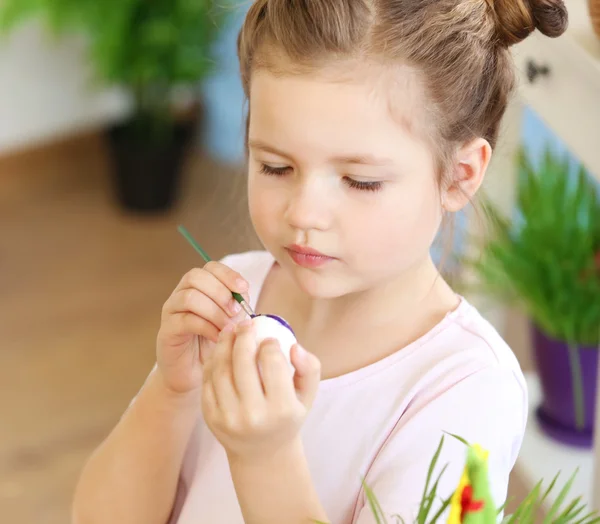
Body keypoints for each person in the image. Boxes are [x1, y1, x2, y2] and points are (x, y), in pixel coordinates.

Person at [72, 0, 569, 523]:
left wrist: (265, 458)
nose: (304, 214)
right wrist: (171, 391)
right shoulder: (241, 289)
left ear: (461, 175)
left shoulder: (469, 391)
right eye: (275, 166)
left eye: (360, 181)